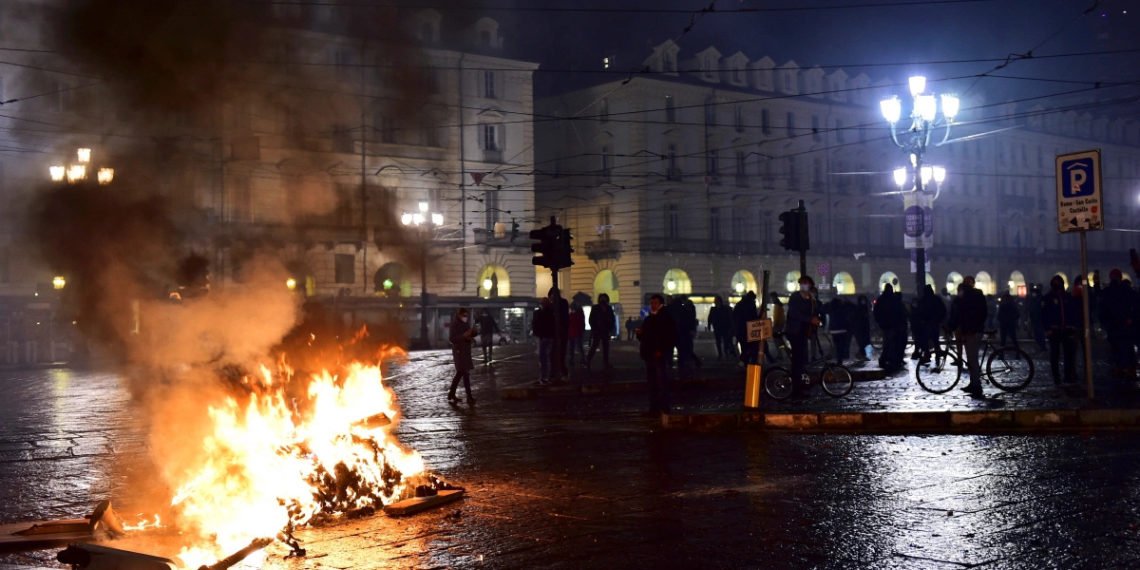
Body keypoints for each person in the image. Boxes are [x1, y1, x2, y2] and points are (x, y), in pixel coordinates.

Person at [637, 294, 676, 415]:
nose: (652, 305)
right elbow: (647, 335)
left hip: (657, 353)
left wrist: (661, 349)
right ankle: (655, 406)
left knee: (660, 381)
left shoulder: (663, 316)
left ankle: (662, 406)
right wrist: (640, 334)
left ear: (660, 303)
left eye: (655, 303)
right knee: (653, 381)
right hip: (650, 353)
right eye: (651, 303)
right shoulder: (652, 317)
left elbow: (666, 336)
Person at [952, 275, 988, 397]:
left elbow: (982, 312)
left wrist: (975, 327)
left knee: (972, 358)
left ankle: (976, 385)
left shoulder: (973, 295)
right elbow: (959, 314)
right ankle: (973, 383)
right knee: (971, 359)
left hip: (973, 331)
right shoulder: (967, 295)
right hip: (969, 330)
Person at [1099, 269, 1136, 379]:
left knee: (1119, 348)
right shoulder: (1125, 291)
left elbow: (1102, 309)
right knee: (1125, 347)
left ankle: (1122, 367)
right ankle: (1126, 368)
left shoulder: (1110, 291)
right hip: (1121, 324)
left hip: (1117, 325)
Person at [1042, 275, 1079, 385]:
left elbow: (1072, 312)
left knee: (1069, 355)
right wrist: (1047, 328)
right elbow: (1044, 315)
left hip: (1067, 329)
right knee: (1055, 355)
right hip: (1054, 330)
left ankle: (1068, 376)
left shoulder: (1067, 297)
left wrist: (1072, 326)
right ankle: (1056, 377)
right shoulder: (1048, 298)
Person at [786, 275, 821, 386]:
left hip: (804, 331)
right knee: (797, 357)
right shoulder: (795, 297)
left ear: (810, 285)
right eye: (802, 283)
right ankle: (796, 383)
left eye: (806, 283)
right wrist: (810, 319)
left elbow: (815, 312)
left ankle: (800, 379)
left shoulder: (811, 299)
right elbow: (793, 313)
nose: (804, 285)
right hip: (794, 331)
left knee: (802, 357)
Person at [447, 308, 478, 404]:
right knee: (465, 373)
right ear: (459, 315)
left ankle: (452, 394)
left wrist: (474, 332)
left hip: (466, 350)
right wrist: (464, 336)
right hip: (459, 351)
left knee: (460, 373)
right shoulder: (455, 324)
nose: (466, 318)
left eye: (467, 316)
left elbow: (470, 335)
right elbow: (452, 339)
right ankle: (469, 397)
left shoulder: (465, 324)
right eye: (464, 315)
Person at [873, 284, 907, 371]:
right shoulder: (894, 299)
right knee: (892, 343)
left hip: (886, 325)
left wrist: (879, 322)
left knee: (888, 343)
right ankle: (890, 359)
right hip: (894, 325)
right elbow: (900, 312)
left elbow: (876, 312)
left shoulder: (881, 299)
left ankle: (885, 359)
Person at [917, 285, 947, 361]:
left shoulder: (923, 300)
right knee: (935, 340)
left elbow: (919, 312)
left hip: (926, 323)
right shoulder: (936, 299)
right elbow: (943, 310)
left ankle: (927, 355)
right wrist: (939, 320)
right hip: (935, 323)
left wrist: (922, 320)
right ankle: (937, 354)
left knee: (926, 340)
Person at [587, 293, 615, 370]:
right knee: (594, 346)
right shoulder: (595, 308)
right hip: (597, 331)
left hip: (605, 331)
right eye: (601, 298)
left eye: (604, 298)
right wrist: (594, 328)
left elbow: (612, 319)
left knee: (606, 348)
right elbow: (591, 319)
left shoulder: (608, 308)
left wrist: (610, 328)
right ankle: (588, 360)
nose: (603, 300)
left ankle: (606, 363)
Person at [548, 287, 570, 381]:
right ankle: (556, 372)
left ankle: (561, 371)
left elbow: (565, 317)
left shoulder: (562, 303)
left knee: (560, 353)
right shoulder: (552, 304)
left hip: (561, 332)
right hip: (554, 333)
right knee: (553, 354)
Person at [532, 298, 555, 386]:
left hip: (543, 337)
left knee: (543, 358)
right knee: (545, 357)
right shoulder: (550, 312)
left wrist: (536, 333)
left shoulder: (540, 313)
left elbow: (536, 324)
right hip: (546, 336)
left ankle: (544, 377)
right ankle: (544, 377)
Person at [733, 291, 760, 364]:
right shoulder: (751, 304)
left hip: (740, 330)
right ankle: (746, 361)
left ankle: (744, 361)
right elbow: (753, 317)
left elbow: (734, 317)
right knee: (750, 347)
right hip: (748, 330)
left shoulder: (739, 304)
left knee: (744, 347)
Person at [824, 295, 851, 364]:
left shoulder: (830, 308)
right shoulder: (843, 307)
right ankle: (840, 358)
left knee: (836, 345)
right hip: (843, 329)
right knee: (841, 345)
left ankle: (838, 358)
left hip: (834, 330)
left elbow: (823, 309)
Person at [708, 296, 735, 360]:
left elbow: (728, 318)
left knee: (725, 341)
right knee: (718, 341)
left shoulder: (724, 309)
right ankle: (721, 354)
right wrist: (709, 325)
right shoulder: (714, 309)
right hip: (717, 327)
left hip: (724, 327)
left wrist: (730, 326)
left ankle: (725, 353)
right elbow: (710, 317)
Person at [852, 295, 872, 362]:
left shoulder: (865, 308)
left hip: (864, 328)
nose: (863, 302)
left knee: (865, 343)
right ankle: (861, 355)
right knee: (862, 343)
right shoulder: (858, 308)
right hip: (860, 329)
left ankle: (861, 355)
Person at [1028, 285, 1047, 351]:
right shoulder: (1033, 299)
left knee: (1040, 333)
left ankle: (1042, 346)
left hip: (1039, 318)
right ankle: (1040, 346)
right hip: (1035, 318)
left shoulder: (1039, 298)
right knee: (1037, 333)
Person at [568, 303, 586, 368]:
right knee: (579, 347)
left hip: (572, 333)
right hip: (577, 333)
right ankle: (582, 359)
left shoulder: (572, 315)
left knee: (572, 348)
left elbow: (570, 323)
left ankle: (572, 360)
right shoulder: (580, 314)